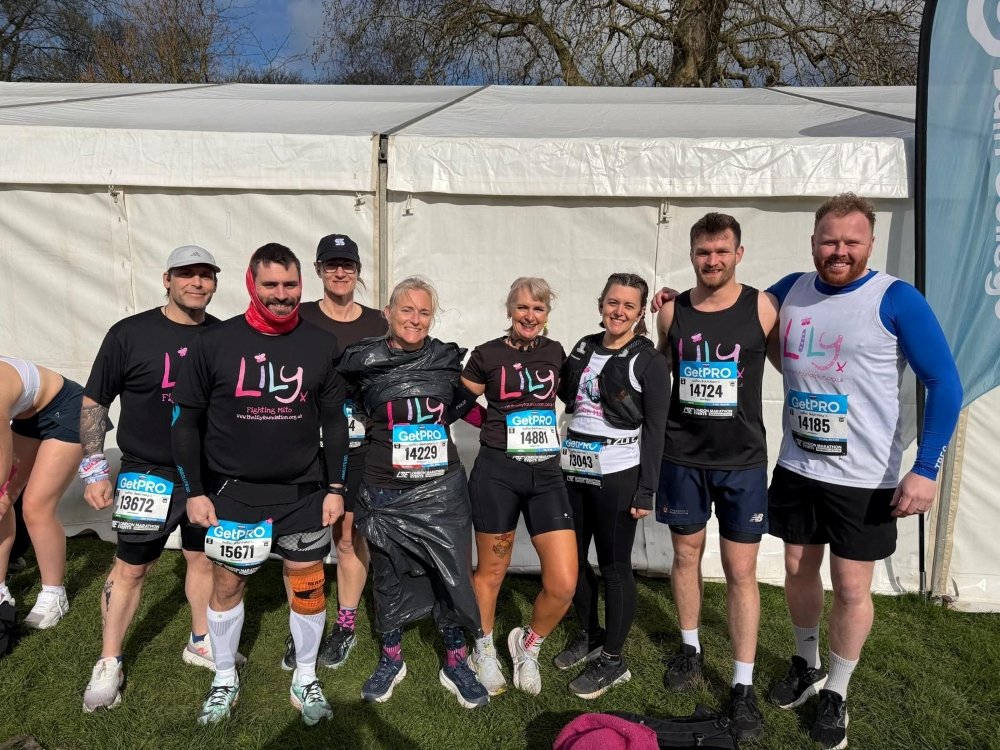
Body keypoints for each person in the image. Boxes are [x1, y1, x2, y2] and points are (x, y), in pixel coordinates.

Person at [765, 194, 962, 749]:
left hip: (865, 476)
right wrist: (672, 301)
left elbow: (945, 383)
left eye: (852, 241)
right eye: (830, 240)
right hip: (798, 464)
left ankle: (839, 691)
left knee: (852, 586)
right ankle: (806, 665)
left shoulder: (896, 298)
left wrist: (926, 467)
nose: (840, 251)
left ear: (870, 244)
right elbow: (732, 310)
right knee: (799, 569)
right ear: (812, 241)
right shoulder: (789, 289)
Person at [171, 243, 349, 726]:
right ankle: (224, 676)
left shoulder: (319, 344)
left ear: (301, 285)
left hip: (303, 493)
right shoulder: (216, 343)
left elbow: (334, 421)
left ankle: (306, 674)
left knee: (309, 588)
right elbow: (184, 423)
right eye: (270, 285)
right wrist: (195, 490)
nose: (281, 295)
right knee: (227, 586)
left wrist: (336, 487)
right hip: (234, 494)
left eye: (290, 285)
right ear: (252, 284)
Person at [79, 245, 231, 712]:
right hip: (147, 472)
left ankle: (201, 640)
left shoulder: (224, 337)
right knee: (131, 568)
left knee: (201, 560)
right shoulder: (129, 333)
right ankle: (109, 660)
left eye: (206, 275)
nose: (197, 283)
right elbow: (94, 403)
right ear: (167, 279)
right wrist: (93, 468)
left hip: (206, 475)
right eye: (187, 274)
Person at [653, 214, 778, 740]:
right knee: (685, 555)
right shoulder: (671, 312)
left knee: (740, 570)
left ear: (739, 253)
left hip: (742, 461)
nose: (712, 261)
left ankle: (743, 684)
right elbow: (658, 378)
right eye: (703, 252)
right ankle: (689, 648)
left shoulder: (764, 307)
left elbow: (796, 368)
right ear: (692, 254)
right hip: (683, 458)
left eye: (721, 251)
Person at [338, 277, 489, 710]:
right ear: (388, 313)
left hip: (441, 490)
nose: (415, 319)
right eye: (407, 310)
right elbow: (344, 401)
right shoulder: (364, 360)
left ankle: (456, 661)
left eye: (424, 312)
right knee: (387, 577)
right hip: (385, 488)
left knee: (450, 573)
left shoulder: (444, 359)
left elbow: (463, 405)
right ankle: (391, 657)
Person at [461, 277, 577, 697]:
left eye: (539, 309)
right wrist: (491, 423)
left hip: (545, 474)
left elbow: (573, 397)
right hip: (497, 473)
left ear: (547, 314)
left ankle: (527, 644)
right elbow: (459, 400)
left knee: (564, 581)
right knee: (491, 570)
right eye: (523, 307)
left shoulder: (555, 352)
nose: (530, 316)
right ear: (509, 309)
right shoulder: (487, 354)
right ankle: (484, 648)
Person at [556, 272, 669, 699]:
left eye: (628, 305)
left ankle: (614, 659)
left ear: (641, 313)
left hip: (619, 472)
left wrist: (647, 490)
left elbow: (656, 430)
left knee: (615, 566)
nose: (618, 311)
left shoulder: (649, 360)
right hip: (575, 468)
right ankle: (590, 633)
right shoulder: (584, 346)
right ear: (600, 303)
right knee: (572, 560)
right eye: (612, 302)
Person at [281, 233, 387, 673]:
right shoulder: (298, 317)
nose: (340, 272)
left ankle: (344, 624)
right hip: (303, 444)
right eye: (331, 264)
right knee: (300, 543)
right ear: (319, 270)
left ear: (358, 271)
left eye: (348, 265)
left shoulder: (379, 322)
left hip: (358, 446)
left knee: (347, 538)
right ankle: (303, 624)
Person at [0, 358, 84, 630]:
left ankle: (54, 594)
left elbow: (1, 471)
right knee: (6, 499)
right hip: (29, 413)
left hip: (68, 407)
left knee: (35, 507)